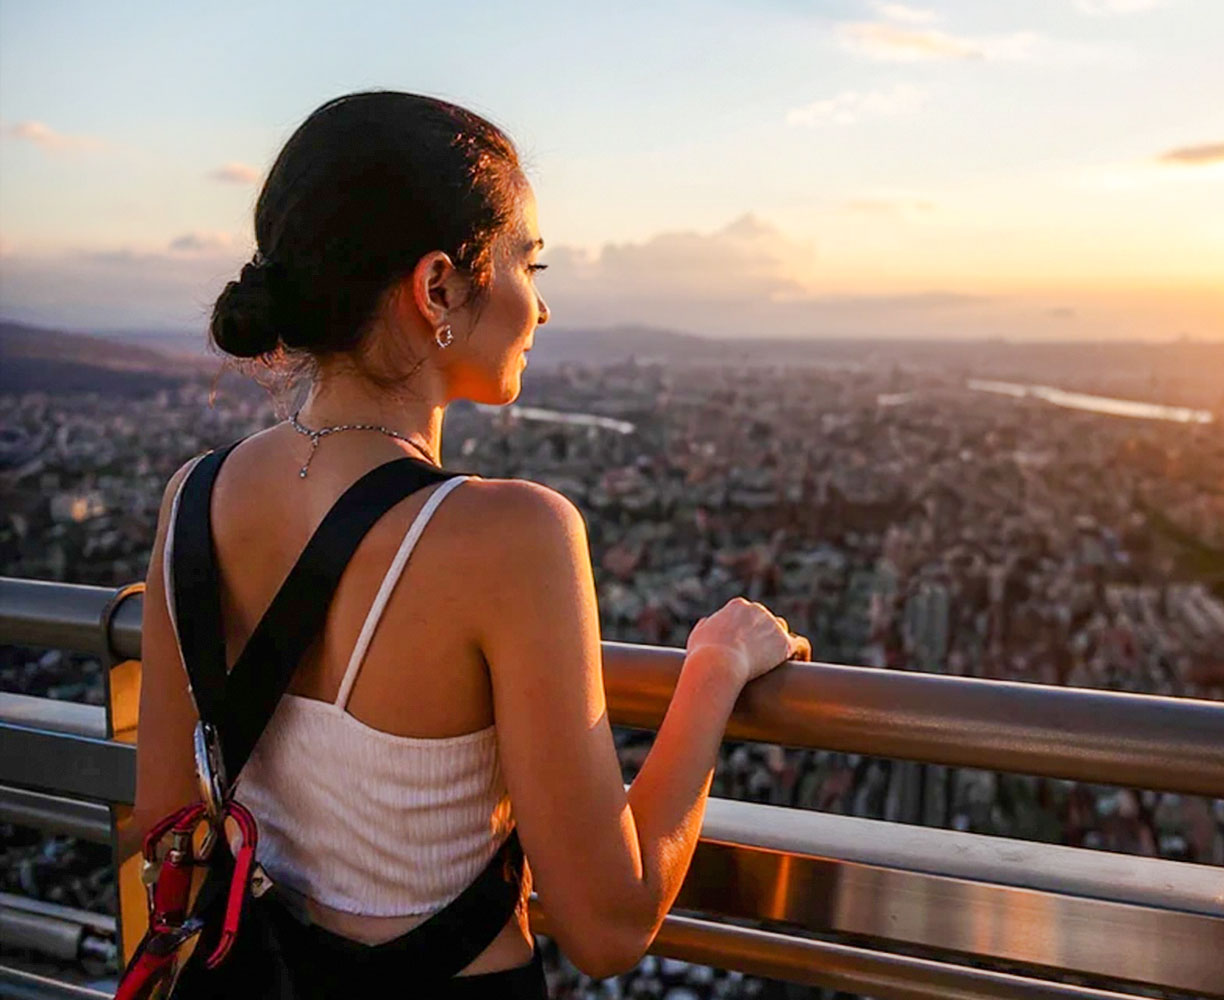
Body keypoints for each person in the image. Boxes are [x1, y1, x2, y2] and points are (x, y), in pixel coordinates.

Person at [130, 90, 810, 997]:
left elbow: (164, 818)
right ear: (438, 287)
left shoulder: (194, 499)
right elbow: (608, 924)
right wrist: (716, 670)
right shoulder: (510, 535)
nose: (543, 307)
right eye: (529, 263)